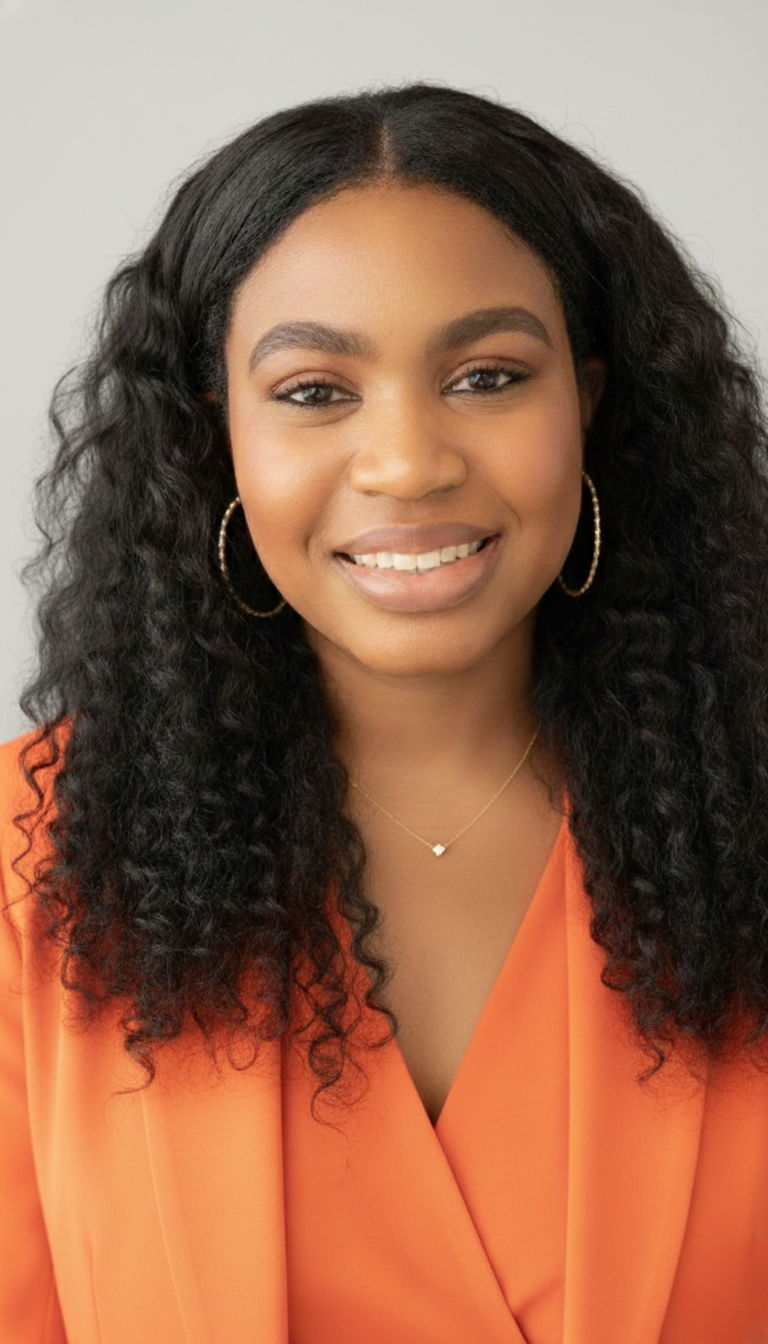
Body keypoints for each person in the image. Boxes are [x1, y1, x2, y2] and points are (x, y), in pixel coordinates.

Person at [1, 82, 767, 1344]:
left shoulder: (740, 818)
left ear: (590, 404)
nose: (408, 461)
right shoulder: (30, 870)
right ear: (217, 437)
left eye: (486, 375)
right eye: (313, 391)